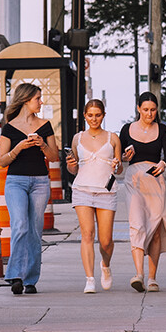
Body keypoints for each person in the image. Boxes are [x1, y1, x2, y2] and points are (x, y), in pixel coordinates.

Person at [0, 83, 60, 295]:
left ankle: (30, 279)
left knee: (35, 229)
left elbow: (54, 157)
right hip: (16, 182)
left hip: (40, 181)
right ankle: (15, 275)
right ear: (26, 100)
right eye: (37, 99)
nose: (41, 102)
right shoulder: (9, 127)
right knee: (20, 225)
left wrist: (42, 144)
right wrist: (18, 148)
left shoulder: (45, 125)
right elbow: (2, 161)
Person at [119, 92, 166, 293]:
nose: (149, 113)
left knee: (155, 228)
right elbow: (118, 158)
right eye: (145, 109)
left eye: (153, 110)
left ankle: (153, 278)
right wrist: (124, 156)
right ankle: (139, 275)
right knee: (136, 224)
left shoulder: (163, 130)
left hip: (154, 179)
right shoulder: (126, 130)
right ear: (138, 109)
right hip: (134, 180)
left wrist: (162, 164)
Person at [65, 99, 122, 293]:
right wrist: (71, 165)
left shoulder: (112, 138)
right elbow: (72, 169)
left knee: (106, 241)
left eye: (97, 115)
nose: (94, 119)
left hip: (106, 191)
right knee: (87, 234)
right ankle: (90, 279)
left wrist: (117, 164)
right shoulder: (77, 138)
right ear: (84, 116)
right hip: (82, 190)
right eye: (90, 115)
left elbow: (120, 168)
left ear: (103, 115)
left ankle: (105, 265)